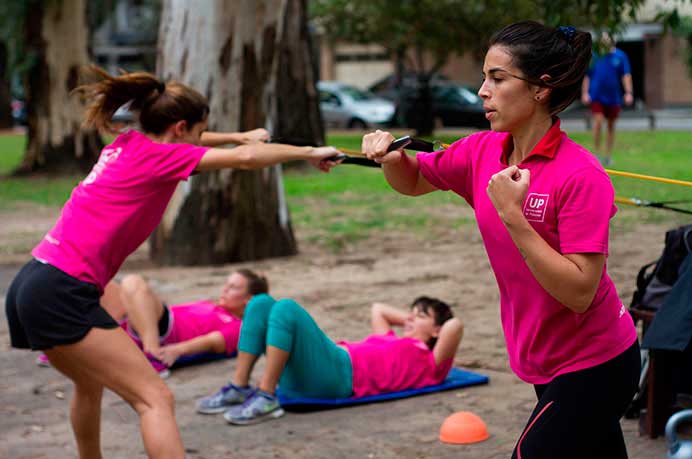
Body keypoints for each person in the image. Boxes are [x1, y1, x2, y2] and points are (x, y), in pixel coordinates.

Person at [4, 65, 341, 459]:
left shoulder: (126, 144)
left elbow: (218, 143)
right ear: (180, 128)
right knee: (155, 399)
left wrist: (234, 135)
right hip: (62, 291)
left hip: (32, 282)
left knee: (89, 384)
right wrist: (310, 151)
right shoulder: (159, 159)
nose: (201, 141)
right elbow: (247, 159)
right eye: (198, 132)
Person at [362, 21, 639, 459]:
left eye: (497, 78)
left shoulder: (581, 175)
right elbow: (412, 181)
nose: (481, 91)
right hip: (543, 357)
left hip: (597, 362)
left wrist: (514, 216)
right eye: (484, 77)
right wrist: (391, 154)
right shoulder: (480, 151)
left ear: (540, 89)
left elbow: (581, 292)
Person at [196, 295, 463, 425]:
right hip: (325, 366)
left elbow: (455, 325)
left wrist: (430, 330)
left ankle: (266, 395)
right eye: (411, 314)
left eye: (421, 316)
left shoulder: (430, 362)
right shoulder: (391, 339)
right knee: (260, 303)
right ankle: (240, 386)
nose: (411, 319)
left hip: (339, 376)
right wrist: (413, 319)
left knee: (286, 309)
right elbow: (378, 309)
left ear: (437, 330)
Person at [36, 269, 268, 376]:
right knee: (94, 280)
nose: (225, 289)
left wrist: (175, 351)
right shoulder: (213, 306)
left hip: (162, 332)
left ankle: (152, 355)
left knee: (133, 282)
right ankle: (66, 340)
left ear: (249, 301)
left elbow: (211, 342)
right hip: (141, 323)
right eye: (226, 284)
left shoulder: (238, 326)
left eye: (234, 287)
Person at [581, 32, 634, 166]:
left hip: (613, 98)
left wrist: (628, 92)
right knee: (598, 123)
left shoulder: (620, 56)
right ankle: (597, 154)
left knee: (611, 126)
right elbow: (587, 76)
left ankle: (608, 156)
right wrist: (585, 93)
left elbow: (626, 75)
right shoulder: (594, 56)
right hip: (597, 96)